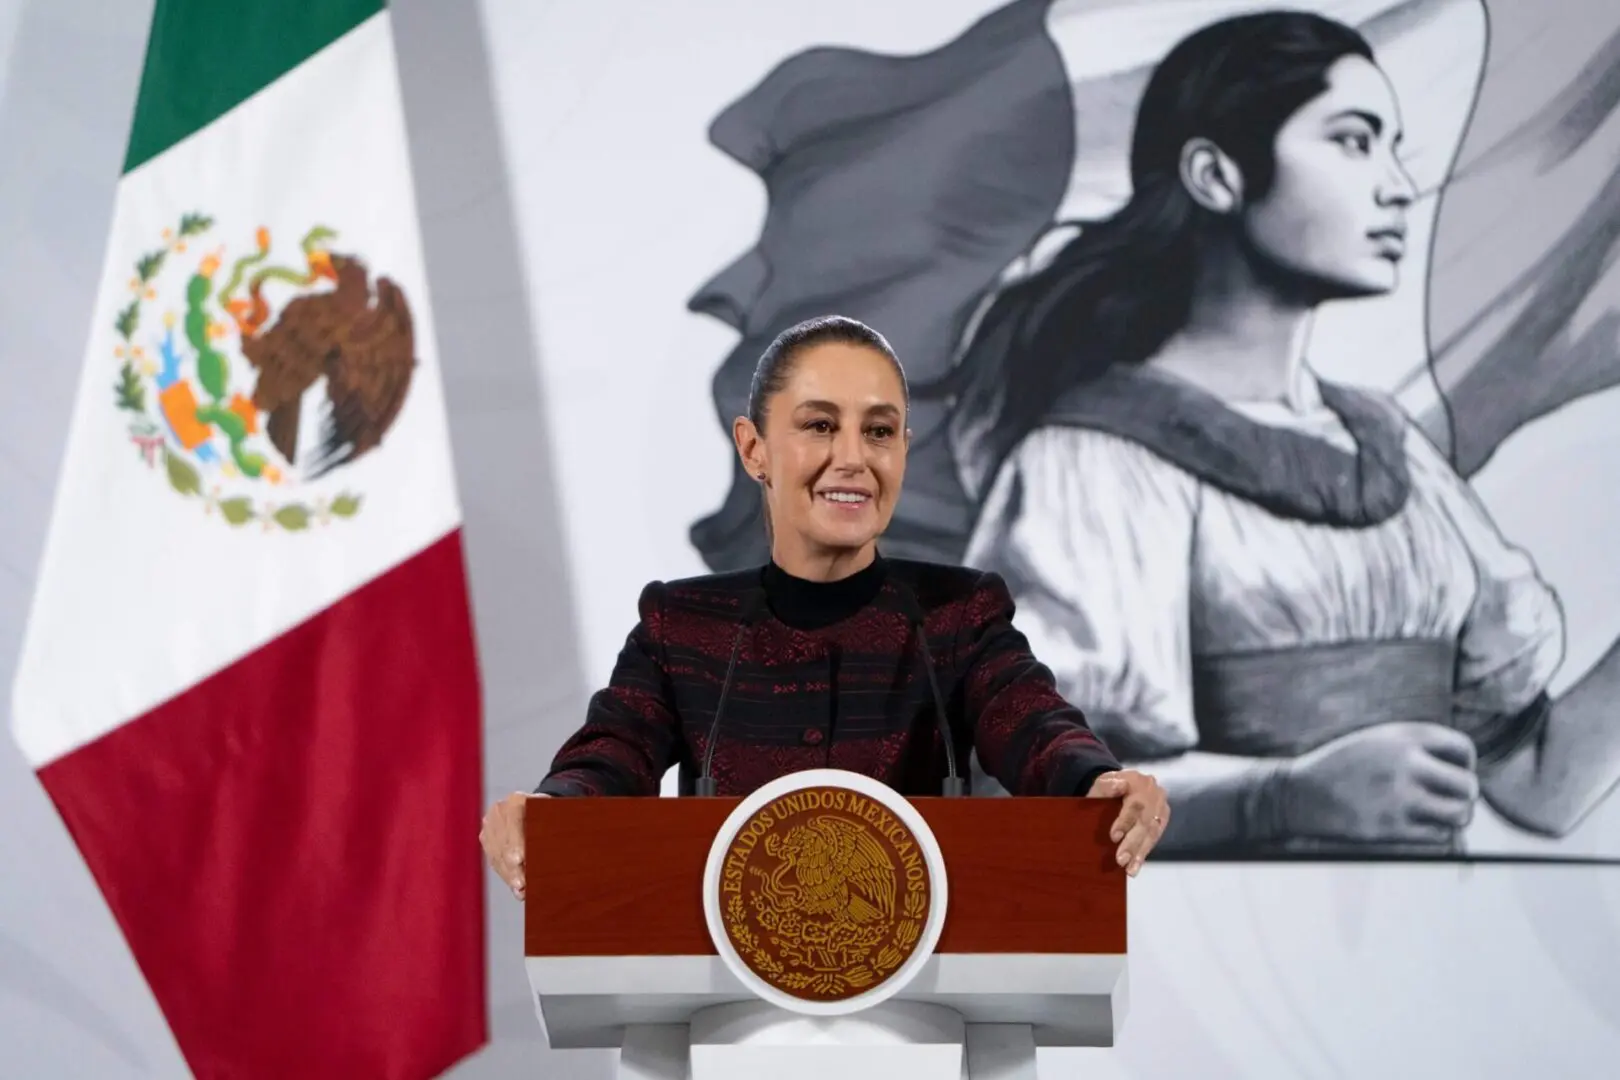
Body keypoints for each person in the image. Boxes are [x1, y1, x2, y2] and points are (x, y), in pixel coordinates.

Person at [948, 10, 1620, 856]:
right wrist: (1280, 799)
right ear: (1215, 175)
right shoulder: (1091, 464)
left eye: (1393, 147)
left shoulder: (1393, 452)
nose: (1397, 186)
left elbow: (1539, 783)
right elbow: (1028, 797)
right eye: (1353, 141)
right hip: (1202, 935)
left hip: (1418, 931)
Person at [480, 314, 1169, 898]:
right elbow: (613, 753)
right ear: (754, 449)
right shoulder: (682, 626)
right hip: (726, 1005)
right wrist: (551, 808)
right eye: (819, 425)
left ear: (903, 451)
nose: (853, 458)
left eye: (879, 431)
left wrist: (1097, 779)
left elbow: (1034, 725)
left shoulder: (958, 616)